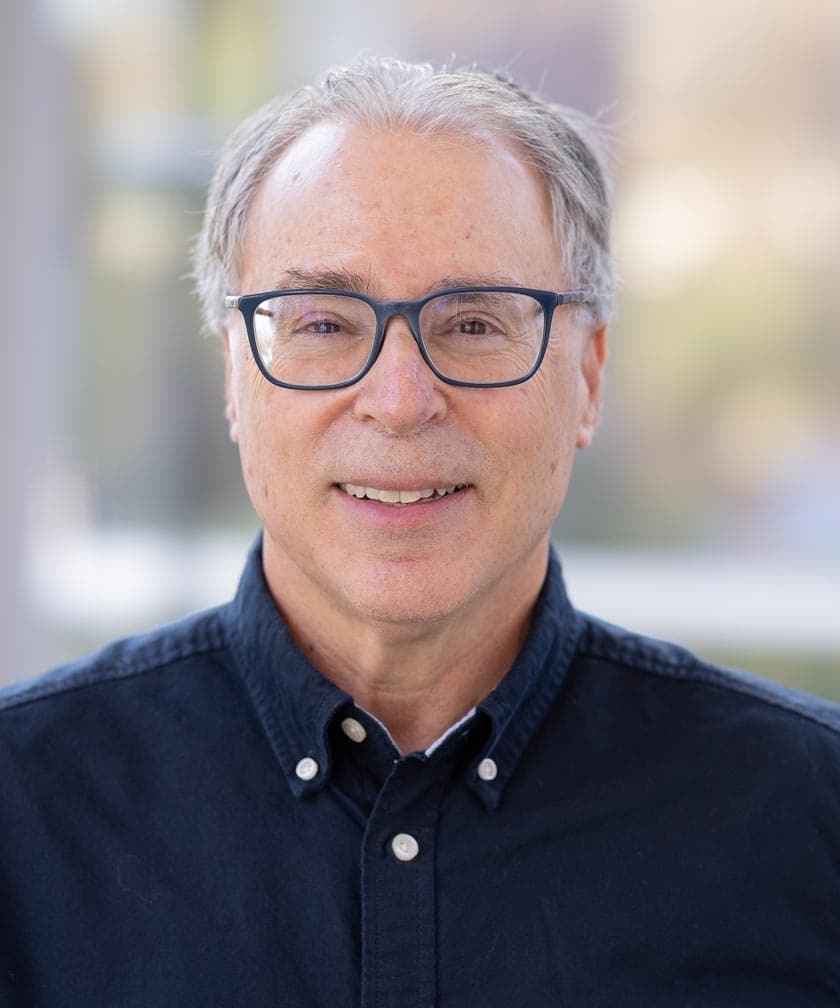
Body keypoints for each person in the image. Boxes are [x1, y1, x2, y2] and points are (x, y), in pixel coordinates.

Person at [1, 57, 838, 1007]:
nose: (400, 402)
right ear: (236, 377)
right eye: (321, 323)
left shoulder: (809, 815)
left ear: (590, 379)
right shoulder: (21, 814)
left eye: (475, 323)